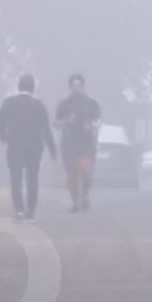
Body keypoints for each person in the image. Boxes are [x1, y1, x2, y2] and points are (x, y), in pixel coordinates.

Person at [0, 74, 56, 222]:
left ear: (19, 86)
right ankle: (30, 211)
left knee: (15, 178)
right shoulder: (38, 105)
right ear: (33, 88)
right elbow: (46, 129)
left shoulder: (9, 102)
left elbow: (0, 119)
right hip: (34, 147)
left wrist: (3, 135)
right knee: (32, 178)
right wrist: (52, 148)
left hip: (15, 145)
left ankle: (19, 209)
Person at [54, 73, 102, 212]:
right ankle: (75, 202)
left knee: (87, 174)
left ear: (83, 86)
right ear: (70, 87)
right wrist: (66, 121)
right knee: (72, 176)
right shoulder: (64, 104)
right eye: (74, 85)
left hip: (86, 145)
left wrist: (92, 126)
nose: (76, 88)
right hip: (69, 145)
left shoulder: (91, 104)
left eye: (79, 85)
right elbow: (56, 122)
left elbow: (98, 121)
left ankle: (85, 195)